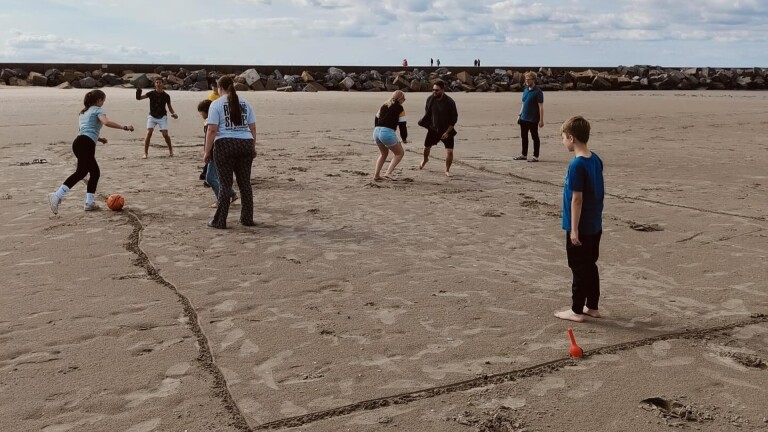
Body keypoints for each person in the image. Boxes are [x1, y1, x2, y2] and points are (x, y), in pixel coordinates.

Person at [48, 90, 134, 214]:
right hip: (86, 144)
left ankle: (89, 202)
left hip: (78, 142)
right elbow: (106, 122)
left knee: (93, 172)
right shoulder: (98, 110)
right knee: (82, 172)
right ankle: (57, 195)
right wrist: (125, 127)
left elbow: (84, 129)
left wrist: (99, 139)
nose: (103, 103)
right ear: (98, 100)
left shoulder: (84, 112)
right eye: (103, 100)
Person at [554, 116, 605, 323]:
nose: (563, 141)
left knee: (578, 267)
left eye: (564, 137)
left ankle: (576, 309)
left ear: (572, 138)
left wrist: (574, 229)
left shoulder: (577, 165)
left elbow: (577, 199)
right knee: (590, 265)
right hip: (594, 224)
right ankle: (592, 306)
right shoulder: (596, 159)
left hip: (581, 225)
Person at [203, 76, 257, 229]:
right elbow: (252, 128)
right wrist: (252, 147)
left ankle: (220, 221)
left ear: (219, 88)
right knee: (245, 183)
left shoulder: (216, 104)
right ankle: (247, 218)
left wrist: (207, 151)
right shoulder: (245, 103)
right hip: (245, 143)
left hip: (225, 145)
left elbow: (212, 130)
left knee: (225, 184)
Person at [197, 99, 238, 208]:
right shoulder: (218, 119)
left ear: (205, 111)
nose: (200, 115)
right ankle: (232, 194)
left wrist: (207, 152)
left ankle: (222, 200)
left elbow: (210, 136)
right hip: (223, 150)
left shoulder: (210, 122)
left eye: (201, 112)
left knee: (210, 178)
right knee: (220, 176)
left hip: (215, 151)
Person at [418, 80, 458, 177]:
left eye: (437, 90)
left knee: (449, 151)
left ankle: (447, 170)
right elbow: (428, 113)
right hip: (433, 129)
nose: (434, 92)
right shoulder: (430, 99)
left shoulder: (449, 102)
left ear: (443, 90)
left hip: (447, 130)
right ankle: (425, 159)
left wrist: (447, 132)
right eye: (433, 90)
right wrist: (428, 125)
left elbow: (454, 119)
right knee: (427, 147)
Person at [136, 77, 178, 158]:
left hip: (162, 116)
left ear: (163, 84)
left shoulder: (166, 96)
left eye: (160, 82)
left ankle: (170, 150)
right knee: (149, 133)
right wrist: (138, 90)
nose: (158, 84)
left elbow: (169, 107)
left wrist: (174, 113)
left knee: (165, 134)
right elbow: (139, 98)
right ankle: (145, 153)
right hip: (152, 116)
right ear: (155, 84)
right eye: (157, 82)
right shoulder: (151, 93)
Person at [372, 90, 408, 181]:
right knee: (399, 153)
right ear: (400, 99)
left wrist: (378, 128)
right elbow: (402, 125)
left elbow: (376, 118)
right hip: (386, 132)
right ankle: (388, 173)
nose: (404, 100)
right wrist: (404, 138)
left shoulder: (384, 105)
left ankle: (376, 175)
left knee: (383, 154)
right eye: (404, 98)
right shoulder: (400, 108)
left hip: (376, 131)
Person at [514, 72, 544, 162]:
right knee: (524, 137)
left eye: (528, 79)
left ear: (533, 80)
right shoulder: (525, 90)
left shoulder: (538, 92)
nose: (526, 81)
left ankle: (535, 156)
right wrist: (519, 115)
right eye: (526, 79)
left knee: (535, 137)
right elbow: (523, 103)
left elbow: (541, 107)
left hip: (533, 119)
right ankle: (524, 154)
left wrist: (541, 120)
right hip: (523, 118)